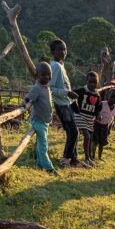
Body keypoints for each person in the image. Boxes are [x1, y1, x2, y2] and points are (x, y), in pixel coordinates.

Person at [49, 39, 84, 167]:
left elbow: (64, 85)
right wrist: (67, 93)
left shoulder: (61, 64)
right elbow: (50, 88)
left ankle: (74, 160)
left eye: (65, 49)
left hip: (66, 103)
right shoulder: (55, 66)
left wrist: (72, 99)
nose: (63, 52)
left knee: (72, 132)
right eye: (60, 49)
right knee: (73, 131)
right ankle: (65, 159)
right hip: (62, 105)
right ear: (53, 51)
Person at [24, 62, 57, 174]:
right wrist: (23, 105)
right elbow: (28, 98)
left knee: (41, 144)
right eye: (43, 74)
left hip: (44, 121)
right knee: (43, 146)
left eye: (49, 74)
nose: (47, 77)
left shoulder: (46, 87)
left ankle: (39, 163)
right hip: (38, 121)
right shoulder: (37, 88)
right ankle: (49, 168)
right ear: (38, 75)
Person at [73, 71, 102, 166]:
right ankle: (86, 158)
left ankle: (88, 158)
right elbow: (72, 95)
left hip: (90, 119)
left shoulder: (97, 95)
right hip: (80, 116)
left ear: (97, 82)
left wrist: (98, 115)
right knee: (87, 136)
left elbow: (98, 107)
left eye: (95, 82)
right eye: (90, 82)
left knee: (90, 138)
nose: (92, 84)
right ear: (87, 81)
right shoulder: (82, 90)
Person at [92, 88, 115, 162]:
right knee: (95, 142)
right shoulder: (102, 104)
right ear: (108, 96)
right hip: (96, 126)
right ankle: (92, 156)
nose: (113, 99)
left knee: (102, 143)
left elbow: (112, 119)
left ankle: (99, 157)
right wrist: (98, 116)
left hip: (105, 128)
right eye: (112, 97)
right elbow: (96, 111)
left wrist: (108, 130)